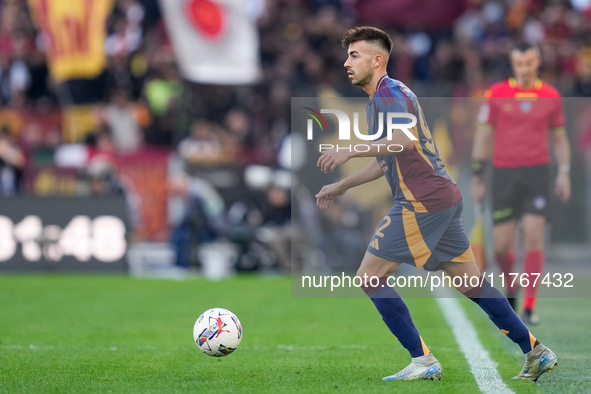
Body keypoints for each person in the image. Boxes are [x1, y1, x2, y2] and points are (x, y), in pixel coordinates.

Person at [315, 26, 557, 382]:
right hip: (440, 197)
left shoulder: (389, 93)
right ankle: (536, 351)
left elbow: (403, 141)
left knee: (369, 276)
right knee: (473, 285)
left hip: (422, 200)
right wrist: (342, 185)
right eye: (347, 55)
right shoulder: (381, 99)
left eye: (354, 55)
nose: (346, 62)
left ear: (377, 60)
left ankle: (423, 361)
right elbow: (387, 158)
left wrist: (351, 147)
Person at [471, 42, 571, 325]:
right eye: (519, 64)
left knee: (532, 236)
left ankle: (529, 306)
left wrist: (563, 170)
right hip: (503, 176)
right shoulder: (495, 94)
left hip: (538, 175)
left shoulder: (551, 96)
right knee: (502, 247)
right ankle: (511, 285)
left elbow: (560, 138)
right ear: (513, 64)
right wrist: (478, 175)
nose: (524, 69)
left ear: (537, 62)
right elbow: (483, 137)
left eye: (529, 63)